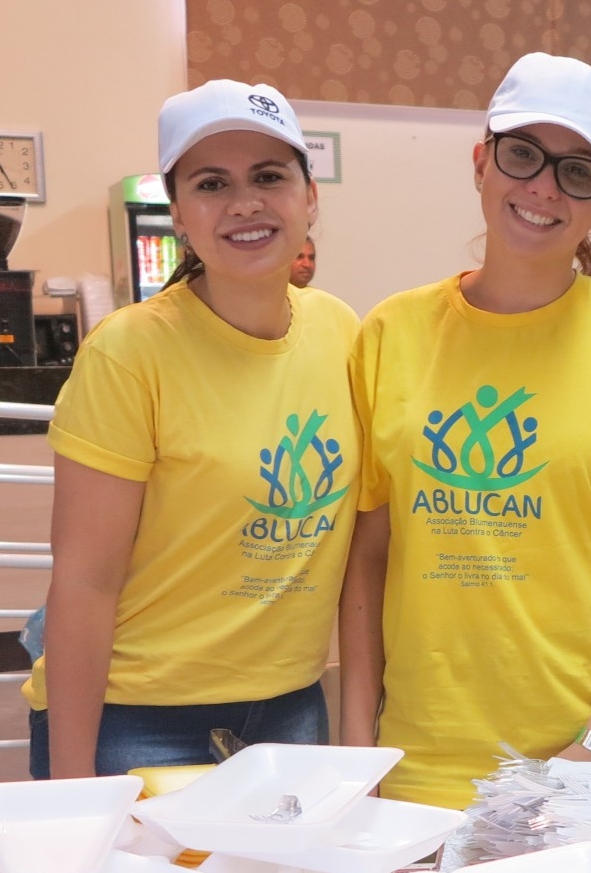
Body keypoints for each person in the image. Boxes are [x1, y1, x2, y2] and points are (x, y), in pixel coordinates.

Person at [339, 53, 591, 806]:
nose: (543, 187)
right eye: (523, 155)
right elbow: (368, 558)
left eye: (578, 172)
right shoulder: (390, 334)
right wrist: (354, 753)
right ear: (482, 162)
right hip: (425, 763)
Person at [26, 81, 359, 777]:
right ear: (178, 214)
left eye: (269, 177)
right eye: (212, 184)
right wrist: (71, 785)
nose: (244, 203)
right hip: (135, 716)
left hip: (291, 708)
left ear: (310, 196)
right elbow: (84, 582)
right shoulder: (129, 353)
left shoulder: (343, 332)